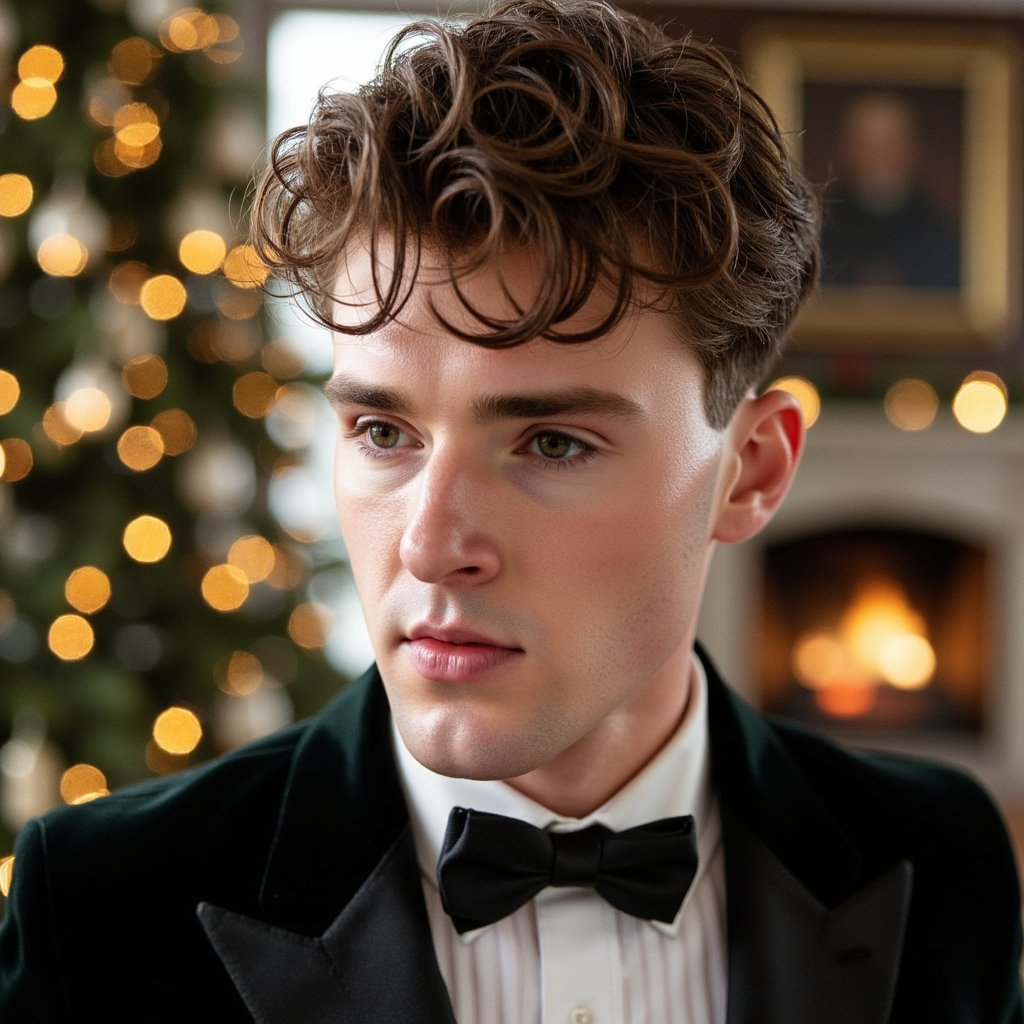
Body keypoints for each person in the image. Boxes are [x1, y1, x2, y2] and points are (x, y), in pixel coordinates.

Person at [1, 1, 1021, 1020]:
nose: (432, 546)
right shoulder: (98, 908)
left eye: (552, 442)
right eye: (383, 434)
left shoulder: (943, 858)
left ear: (749, 470)